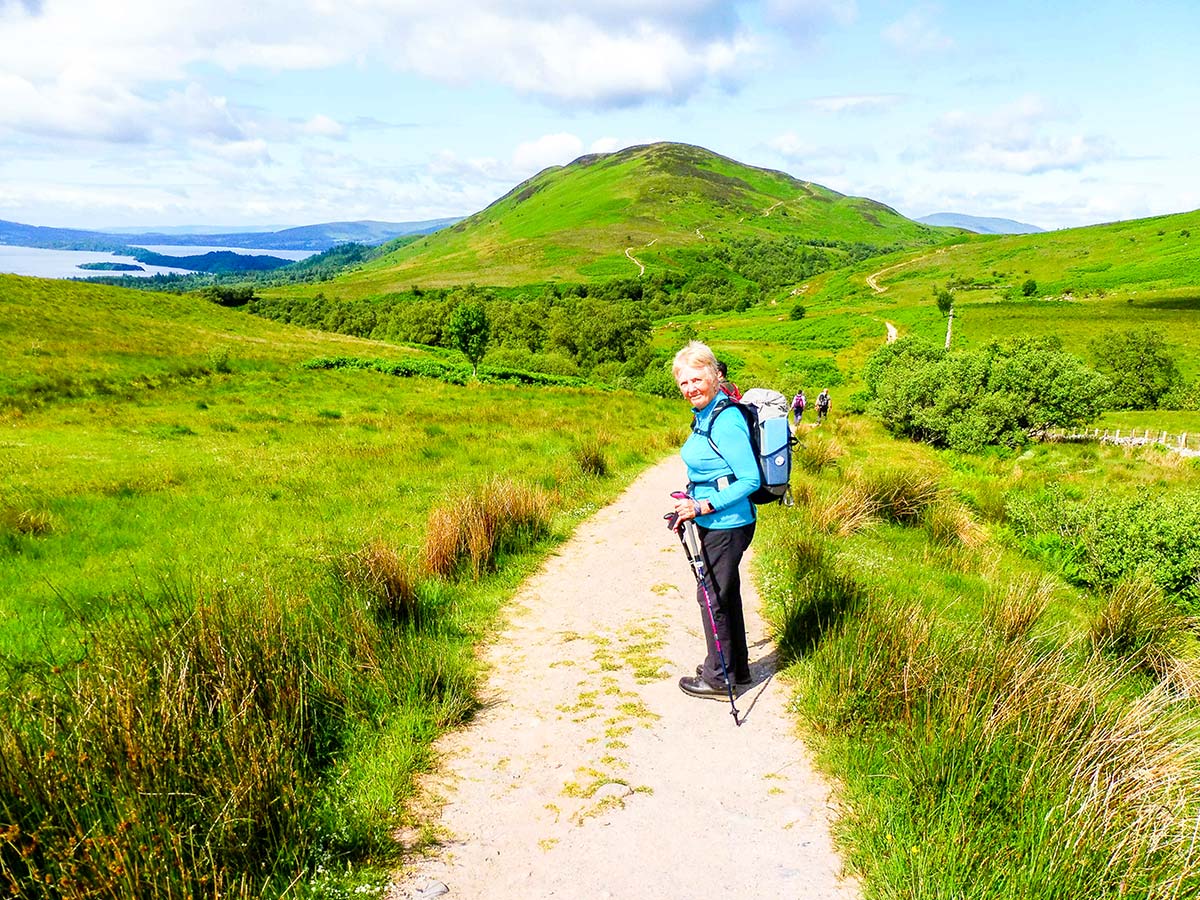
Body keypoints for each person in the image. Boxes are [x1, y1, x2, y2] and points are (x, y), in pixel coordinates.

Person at [672, 341, 759, 700]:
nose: (691, 388)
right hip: (716, 521)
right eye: (684, 383)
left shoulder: (727, 420)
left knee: (712, 597)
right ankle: (734, 668)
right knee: (724, 593)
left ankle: (718, 678)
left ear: (714, 376)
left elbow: (750, 479)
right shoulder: (706, 413)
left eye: (697, 380)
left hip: (727, 523)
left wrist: (703, 506)